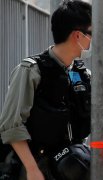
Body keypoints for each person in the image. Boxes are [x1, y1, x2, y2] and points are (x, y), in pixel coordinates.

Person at [0, 1, 92, 179]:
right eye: (92, 33)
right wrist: (32, 170)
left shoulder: (84, 74)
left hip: (70, 169)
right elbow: (11, 125)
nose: (95, 40)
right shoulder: (31, 71)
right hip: (35, 168)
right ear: (78, 36)